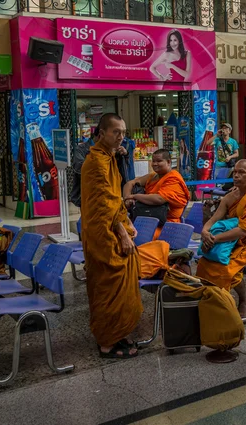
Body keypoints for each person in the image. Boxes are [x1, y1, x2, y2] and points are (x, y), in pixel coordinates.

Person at [81, 113, 142, 359]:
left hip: (110, 227)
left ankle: (117, 333)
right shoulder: (96, 161)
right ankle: (107, 342)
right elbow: (104, 203)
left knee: (116, 284)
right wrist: (122, 234)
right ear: (101, 133)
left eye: (124, 132)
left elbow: (114, 197)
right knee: (109, 283)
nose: (121, 137)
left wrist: (126, 220)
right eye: (115, 132)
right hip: (103, 235)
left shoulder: (108, 158)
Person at [196, 159, 246, 317]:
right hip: (230, 241)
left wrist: (213, 240)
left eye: (242, 173)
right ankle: (213, 303)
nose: (236, 176)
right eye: (235, 172)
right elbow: (215, 218)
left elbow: (242, 232)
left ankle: (243, 300)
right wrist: (205, 231)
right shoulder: (231, 195)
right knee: (204, 261)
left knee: (226, 266)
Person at [123, 149, 190, 238]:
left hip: (166, 225)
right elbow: (129, 183)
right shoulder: (153, 176)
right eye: (153, 161)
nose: (155, 164)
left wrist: (135, 196)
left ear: (168, 162)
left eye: (159, 161)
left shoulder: (173, 178)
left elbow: (159, 199)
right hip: (147, 218)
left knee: (132, 236)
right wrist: (127, 198)